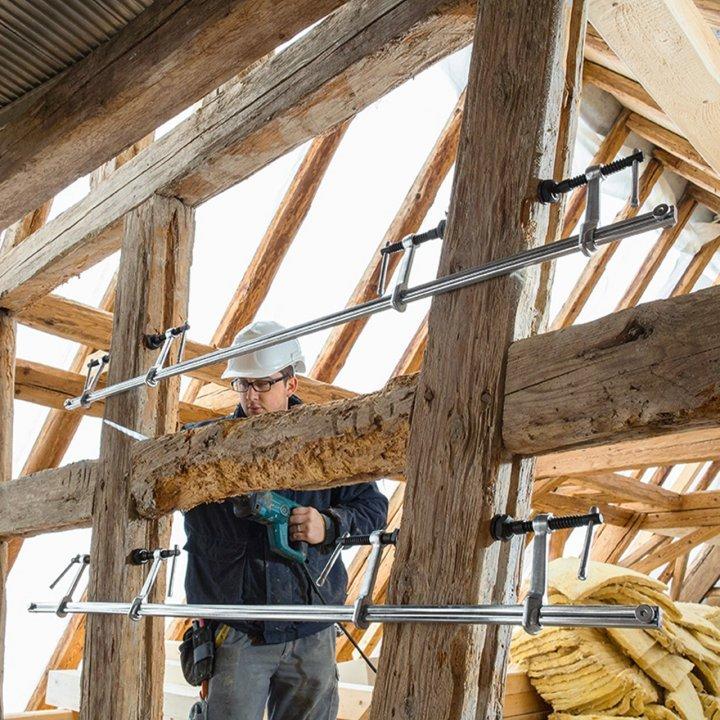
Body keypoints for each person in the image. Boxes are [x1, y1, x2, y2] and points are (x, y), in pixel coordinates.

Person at [183, 320, 389, 720]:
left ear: (291, 383)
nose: (251, 396)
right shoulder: (203, 448)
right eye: (243, 384)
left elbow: (373, 508)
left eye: (263, 384)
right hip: (237, 631)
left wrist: (329, 524)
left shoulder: (325, 441)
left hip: (312, 628)